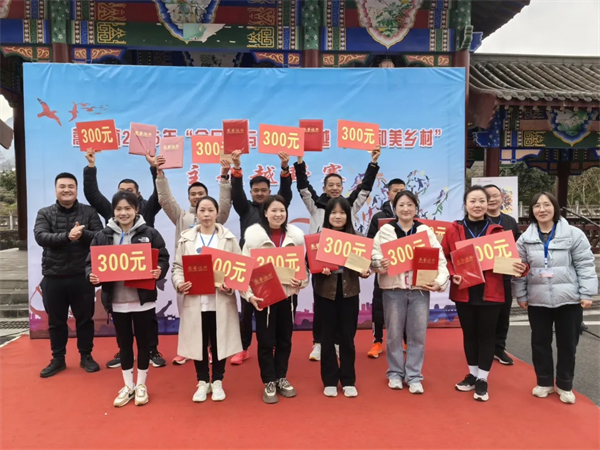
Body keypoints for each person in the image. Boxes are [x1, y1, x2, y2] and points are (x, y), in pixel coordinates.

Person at [294, 148, 381, 361]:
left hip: (347, 268)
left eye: (338, 185)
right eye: (330, 185)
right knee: (321, 306)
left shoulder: (349, 206)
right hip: (321, 265)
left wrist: (373, 164)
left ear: (343, 188)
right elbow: (303, 188)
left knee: (345, 310)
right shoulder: (316, 205)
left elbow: (364, 190)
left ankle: (340, 344)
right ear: (324, 188)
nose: (334, 188)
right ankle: (318, 343)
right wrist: (299, 163)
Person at [442, 186, 526, 402]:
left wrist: (520, 268)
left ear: (488, 204)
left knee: (487, 336)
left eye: (481, 201)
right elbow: (445, 258)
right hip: (465, 291)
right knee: (469, 335)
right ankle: (472, 374)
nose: (477, 205)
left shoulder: (499, 231)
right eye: (472, 201)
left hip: (492, 292)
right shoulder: (453, 230)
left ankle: (483, 379)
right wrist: (452, 274)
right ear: (465, 204)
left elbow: (514, 261)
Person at [84, 150, 166, 369]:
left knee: (147, 320)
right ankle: (124, 352)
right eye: (121, 192)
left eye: (129, 192)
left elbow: (160, 195)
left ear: (138, 198)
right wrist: (91, 167)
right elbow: (92, 194)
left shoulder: (147, 210)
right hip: (117, 287)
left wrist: (154, 169)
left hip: (142, 283)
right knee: (122, 324)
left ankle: (152, 350)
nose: (123, 210)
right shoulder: (110, 219)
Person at [513, 192, 597, 404]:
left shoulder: (573, 234)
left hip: (568, 299)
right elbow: (518, 270)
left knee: (567, 344)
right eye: (537, 205)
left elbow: (585, 264)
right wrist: (521, 295)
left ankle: (565, 385)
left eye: (546, 205)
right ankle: (544, 382)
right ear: (532, 211)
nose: (542, 209)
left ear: (555, 208)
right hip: (537, 300)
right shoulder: (525, 239)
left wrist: (587, 293)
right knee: (540, 343)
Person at [86, 192, 169, 407]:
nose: (123, 213)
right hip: (116, 301)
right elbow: (90, 263)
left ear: (136, 210)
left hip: (143, 300)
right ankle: (128, 385)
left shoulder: (149, 233)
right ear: (113, 211)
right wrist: (91, 276)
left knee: (143, 344)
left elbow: (163, 257)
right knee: (124, 345)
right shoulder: (102, 236)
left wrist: (159, 270)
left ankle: (141, 384)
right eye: (119, 209)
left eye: (128, 208)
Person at [156, 156, 233, 365]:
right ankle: (188, 348)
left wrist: (224, 177)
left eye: (201, 194)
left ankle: (210, 348)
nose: (197, 197)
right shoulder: (181, 217)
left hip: (214, 273)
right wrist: (160, 174)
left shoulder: (215, 217)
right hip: (189, 273)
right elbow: (165, 200)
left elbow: (225, 205)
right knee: (188, 313)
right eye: (193, 194)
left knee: (212, 315)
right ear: (189, 198)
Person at [372, 191, 449, 394]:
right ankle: (395, 373)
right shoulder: (385, 231)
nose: (405, 209)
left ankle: (414, 376)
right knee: (394, 335)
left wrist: (439, 281)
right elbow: (373, 256)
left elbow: (440, 259)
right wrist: (379, 263)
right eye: (401, 205)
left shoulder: (425, 231)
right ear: (394, 208)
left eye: (410, 205)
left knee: (417, 335)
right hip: (393, 290)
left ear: (416, 208)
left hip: (419, 291)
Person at [172, 197, 243, 403]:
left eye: (210, 210)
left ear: (217, 213)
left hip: (220, 300)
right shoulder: (186, 239)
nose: (206, 214)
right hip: (196, 300)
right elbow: (178, 268)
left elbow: (238, 268)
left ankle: (218, 380)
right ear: (196, 213)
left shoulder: (228, 238)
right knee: (198, 342)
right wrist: (179, 283)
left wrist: (231, 283)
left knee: (220, 341)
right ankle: (202, 381)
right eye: (202, 210)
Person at [34, 172, 103, 378]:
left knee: (85, 320)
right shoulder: (44, 213)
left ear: (76, 189)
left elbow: (100, 237)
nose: (67, 190)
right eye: (62, 186)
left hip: (82, 276)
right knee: (56, 322)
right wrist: (67, 236)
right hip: (53, 276)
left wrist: (82, 235)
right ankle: (58, 358)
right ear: (56, 189)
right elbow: (41, 236)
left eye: (71, 186)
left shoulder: (89, 212)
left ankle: (86, 356)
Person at [229, 150, 293, 366]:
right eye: (256, 190)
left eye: (263, 190)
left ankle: (271, 343)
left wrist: (285, 169)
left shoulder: (276, 210)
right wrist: (236, 168)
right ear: (251, 192)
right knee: (247, 309)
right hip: (249, 264)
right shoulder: (245, 209)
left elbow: (286, 193)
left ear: (269, 191)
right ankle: (243, 347)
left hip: (275, 265)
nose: (259, 193)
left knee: (274, 308)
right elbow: (237, 193)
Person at [243, 195, 308, 404]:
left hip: (288, 297)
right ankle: (269, 381)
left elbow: (304, 270)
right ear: (265, 213)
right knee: (265, 341)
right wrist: (249, 296)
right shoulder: (253, 238)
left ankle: (281, 377)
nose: (278, 214)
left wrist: (301, 282)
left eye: (282, 210)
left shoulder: (296, 238)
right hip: (265, 298)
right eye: (274, 210)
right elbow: (243, 271)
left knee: (284, 340)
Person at [313, 197, 371, 398]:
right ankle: (329, 380)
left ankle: (348, 380)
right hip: (325, 293)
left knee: (347, 337)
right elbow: (309, 263)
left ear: (348, 216)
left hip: (349, 292)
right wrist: (320, 270)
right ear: (327, 216)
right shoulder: (318, 239)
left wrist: (365, 271)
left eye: (342, 213)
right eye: (333, 213)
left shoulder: (357, 239)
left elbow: (364, 266)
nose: (338, 217)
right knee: (327, 337)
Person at [366, 178, 405, 358]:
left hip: (405, 270)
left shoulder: (411, 216)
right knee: (379, 305)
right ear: (388, 193)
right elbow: (370, 243)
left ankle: (404, 339)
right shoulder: (379, 217)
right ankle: (377, 341)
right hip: (384, 268)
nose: (399, 194)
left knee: (405, 305)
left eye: (402, 190)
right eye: (395, 190)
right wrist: (377, 261)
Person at [483, 184, 521, 365]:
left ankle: (499, 348)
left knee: (503, 315)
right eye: (488, 196)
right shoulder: (477, 221)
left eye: (495, 195)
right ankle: (484, 349)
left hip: (505, 276)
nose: (492, 199)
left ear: (502, 198)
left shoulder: (510, 221)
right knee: (485, 316)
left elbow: (518, 247)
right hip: (483, 278)